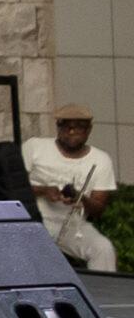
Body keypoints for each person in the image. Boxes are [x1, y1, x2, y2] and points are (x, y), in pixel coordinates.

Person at [25, 104, 118, 273]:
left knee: (103, 249)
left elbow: (98, 209)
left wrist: (81, 198)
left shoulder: (101, 159)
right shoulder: (34, 147)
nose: (72, 131)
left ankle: (103, 290)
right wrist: (44, 190)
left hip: (73, 225)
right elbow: (13, 186)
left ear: (89, 130)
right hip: (34, 219)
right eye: (67, 126)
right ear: (58, 127)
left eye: (79, 127)